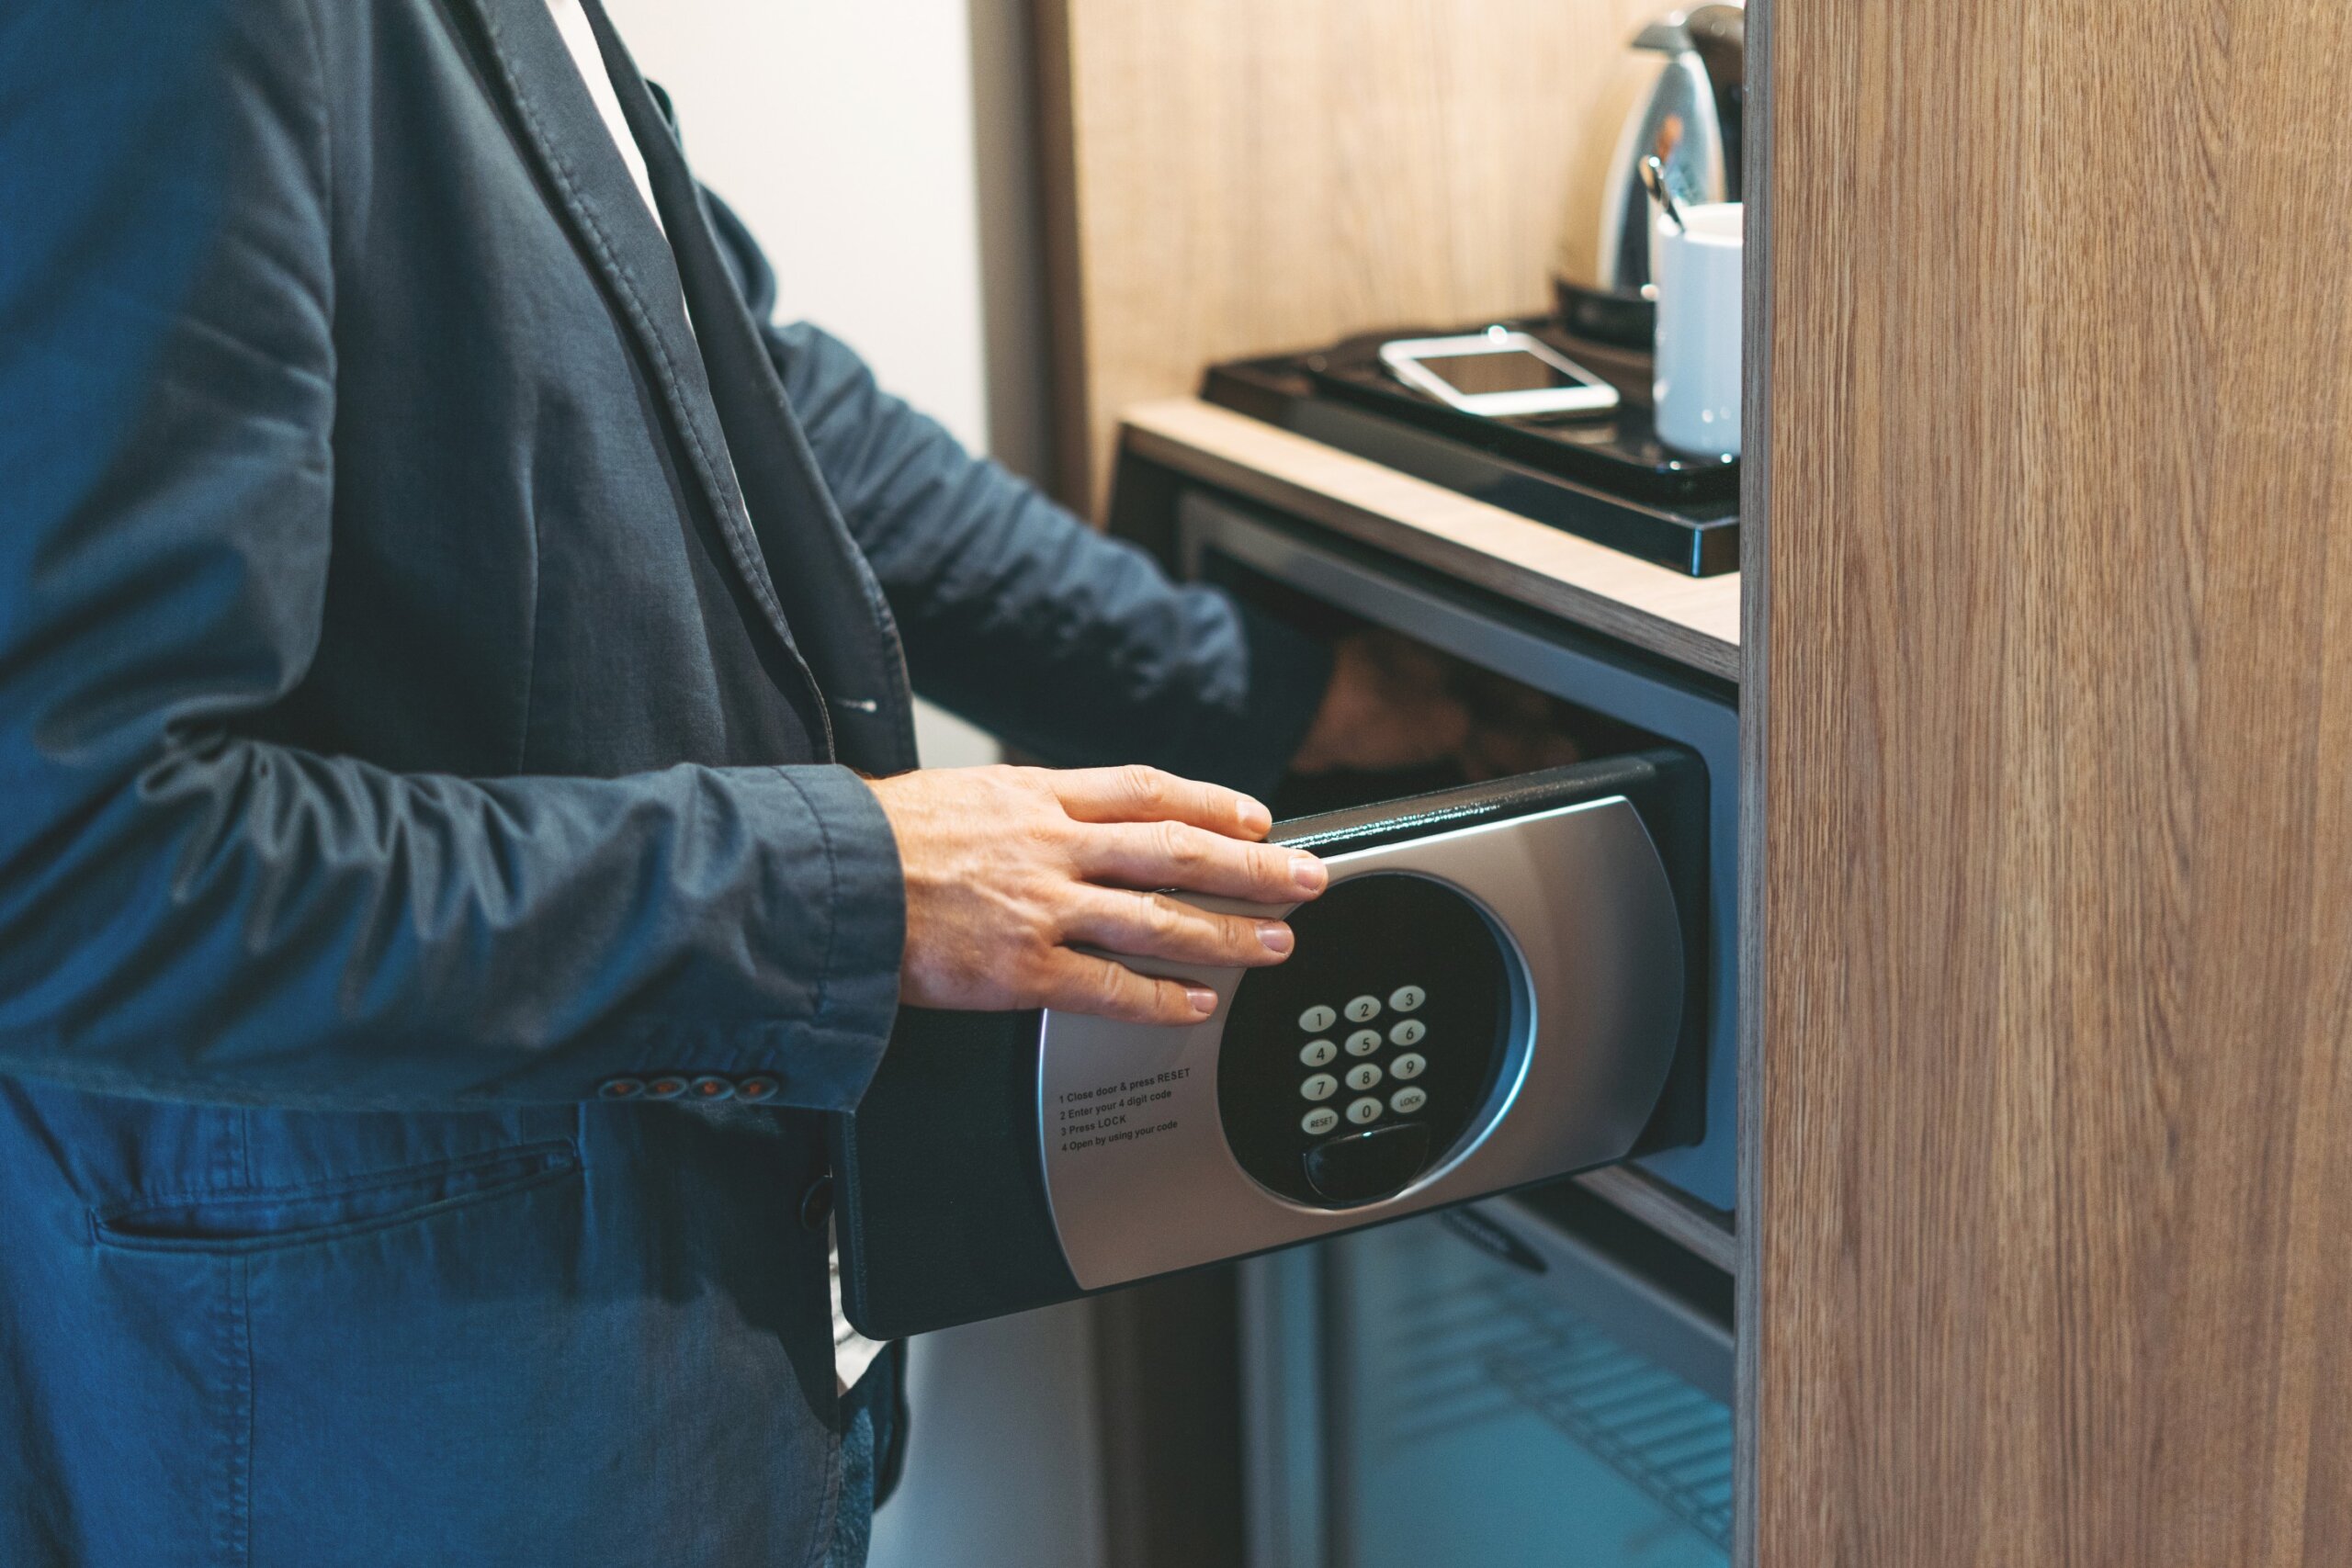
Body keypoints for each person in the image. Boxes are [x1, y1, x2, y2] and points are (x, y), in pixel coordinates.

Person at [0, 3, 1512, 1563]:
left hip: (682, 1360)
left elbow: (762, 417)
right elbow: (70, 862)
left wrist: (1282, 696)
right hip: (402, 1426)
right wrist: (850, 891)